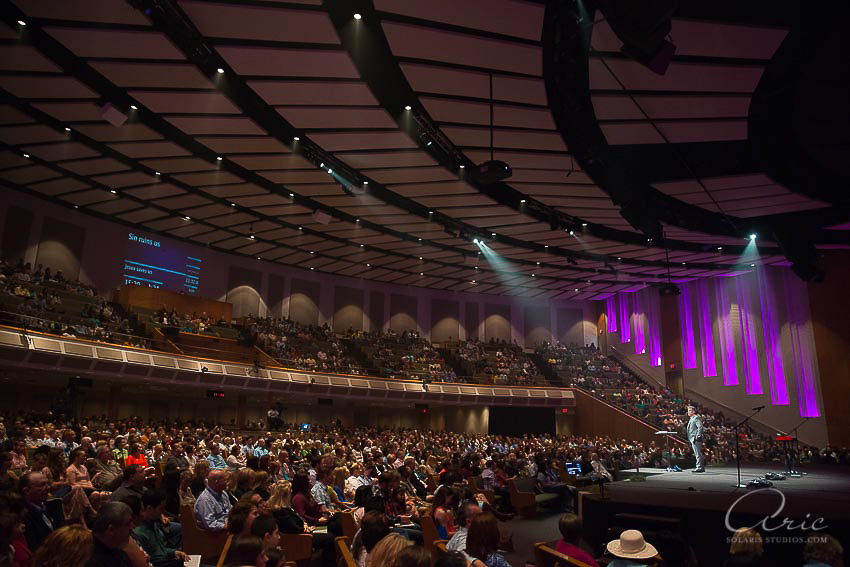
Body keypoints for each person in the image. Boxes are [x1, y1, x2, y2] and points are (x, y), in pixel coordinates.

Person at [132, 489, 189, 567]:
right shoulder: (139, 533)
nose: (163, 512)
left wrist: (173, 552)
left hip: (167, 561)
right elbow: (149, 560)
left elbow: (160, 550)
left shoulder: (154, 523)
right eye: (161, 509)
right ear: (149, 509)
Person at [20, 471, 65, 552]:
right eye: (42, 485)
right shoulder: (22, 515)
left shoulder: (52, 505)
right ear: (26, 491)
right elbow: (34, 548)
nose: (48, 488)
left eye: (47, 484)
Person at [85, 501, 135, 567]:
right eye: (127, 524)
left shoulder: (116, 550)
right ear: (111, 529)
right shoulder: (91, 560)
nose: (131, 528)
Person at [686, 405, 705, 473]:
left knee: (697, 453)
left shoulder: (696, 418)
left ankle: (699, 467)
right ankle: (701, 467)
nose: (688, 412)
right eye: (688, 410)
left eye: (690, 410)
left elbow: (700, 427)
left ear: (693, 411)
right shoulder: (691, 419)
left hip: (695, 438)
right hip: (692, 438)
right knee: (698, 453)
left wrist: (698, 436)